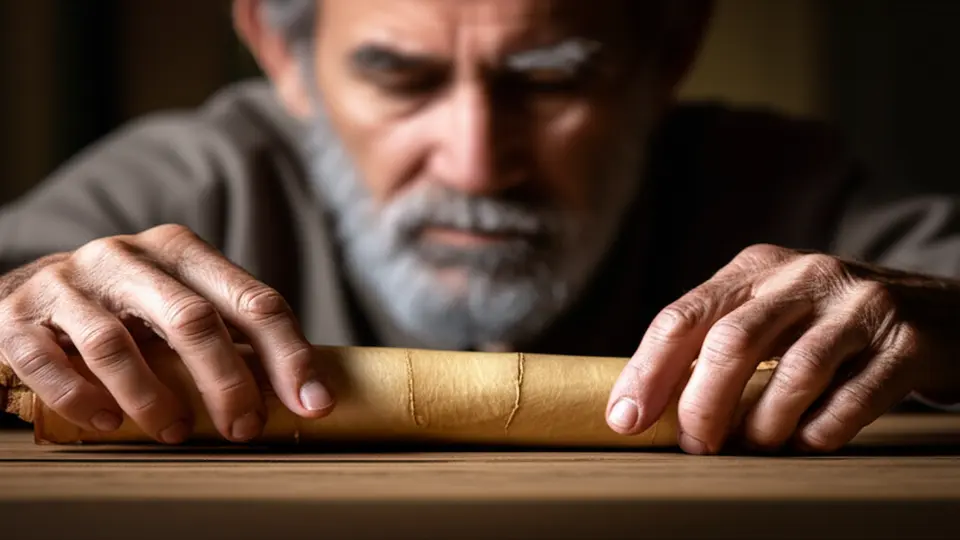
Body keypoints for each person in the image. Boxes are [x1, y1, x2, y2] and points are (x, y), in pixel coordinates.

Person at [0, 0, 957, 455]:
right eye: (400, 78)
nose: (476, 162)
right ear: (280, 54)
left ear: (667, 55)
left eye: (552, 80)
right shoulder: (189, 176)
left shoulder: (784, 183)